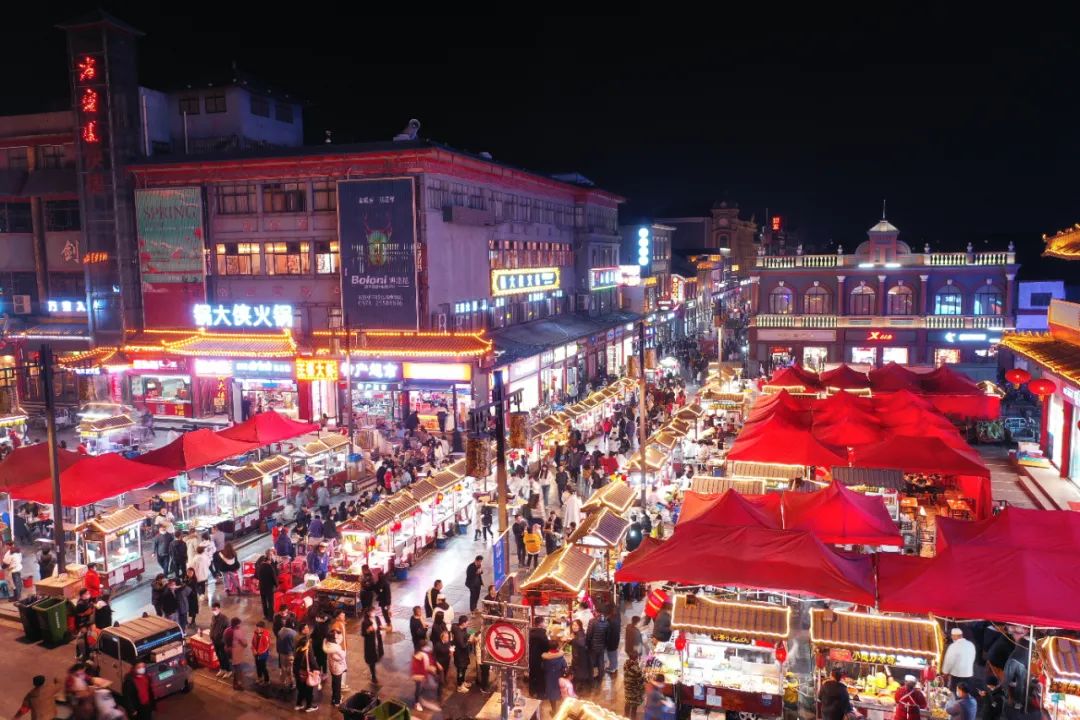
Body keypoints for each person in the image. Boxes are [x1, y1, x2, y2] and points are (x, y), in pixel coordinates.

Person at [293, 630, 319, 713]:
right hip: (306, 674)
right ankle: (309, 706)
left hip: (299, 674)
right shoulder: (307, 652)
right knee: (309, 691)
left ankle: (299, 704)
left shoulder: (298, 650)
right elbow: (313, 663)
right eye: (308, 642)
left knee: (301, 690)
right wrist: (317, 670)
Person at [411, 641, 437, 712]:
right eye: (425, 646)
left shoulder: (427, 653)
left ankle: (423, 699)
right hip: (420, 676)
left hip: (426, 674)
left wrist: (432, 667)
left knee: (431, 685)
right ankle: (417, 703)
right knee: (419, 688)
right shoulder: (418, 655)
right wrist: (415, 675)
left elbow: (430, 662)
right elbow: (414, 667)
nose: (428, 647)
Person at [362, 606, 384, 685]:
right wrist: (368, 630)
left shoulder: (377, 618)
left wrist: (382, 628)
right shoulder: (365, 622)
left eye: (374, 611)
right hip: (370, 643)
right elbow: (363, 633)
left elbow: (379, 627)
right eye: (372, 612)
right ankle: (373, 676)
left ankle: (376, 660)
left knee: (378, 655)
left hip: (377, 641)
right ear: (368, 613)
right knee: (372, 660)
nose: (374, 613)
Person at [528, 616, 550, 697]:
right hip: (539, 658)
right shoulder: (542, 634)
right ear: (541, 624)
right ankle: (541, 694)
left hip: (531, 657)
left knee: (532, 674)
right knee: (540, 676)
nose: (546, 624)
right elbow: (547, 647)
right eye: (545, 622)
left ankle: (532, 691)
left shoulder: (531, 632)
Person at [324, 629, 347, 706]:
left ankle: (334, 697)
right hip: (337, 667)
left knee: (334, 683)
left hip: (332, 667)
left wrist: (338, 632)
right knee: (337, 684)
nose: (337, 636)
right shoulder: (336, 647)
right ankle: (337, 701)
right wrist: (343, 652)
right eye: (335, 636)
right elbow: (342, 656)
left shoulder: (328, 644)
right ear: (333, 638)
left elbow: (340, 639)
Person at [541, 646, 568, 713]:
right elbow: (565, 667)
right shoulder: (561, 657)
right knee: (561, 692)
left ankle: (554, 710)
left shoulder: (546, 658)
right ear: (557, 648)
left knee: (551, 694)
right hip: (559, 677)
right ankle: (562, 710)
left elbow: (543, 667)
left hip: (549, 678)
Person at [586, 611, 610, 682]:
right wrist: (605, 645)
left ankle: (591, 679)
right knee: (600, 661)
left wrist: (587, 644)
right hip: (602, 646)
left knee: (591, 663)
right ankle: (600, 677)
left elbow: (589, 635)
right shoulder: (606, 622)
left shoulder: (592, 621)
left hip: (593, 646)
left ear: (597, 612)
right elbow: (607, 636)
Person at [452, 615, 474, 690]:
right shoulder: (458, 633)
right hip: (460, 656)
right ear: (463, 623)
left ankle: (463, 682)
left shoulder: (463, 629)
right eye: (467, 622)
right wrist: (469, 641)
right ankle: (459, 686)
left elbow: (467, 634)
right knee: (460, 671)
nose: (468, 623)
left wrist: (472, 632)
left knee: (464, 669)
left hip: (464, 655)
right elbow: (463, 645)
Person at [210, 603, 232, 678]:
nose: (214, 611)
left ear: (219, 609)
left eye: (215, 609)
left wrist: (223, 639)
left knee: (224, 656)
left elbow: (228, 630)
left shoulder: (224, 619)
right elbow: (211, 626)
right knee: (218, 655)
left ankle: (228, 670)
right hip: (215, 641)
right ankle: (222, 669)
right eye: (212, 609)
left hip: (222, 642)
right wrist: (211, 635)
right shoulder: (213, 617)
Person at [569, 619, 592, 690]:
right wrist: (570, 641)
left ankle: (580, 685)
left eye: (576, 625)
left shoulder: (580, 634)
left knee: (579, 670)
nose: (574, 627)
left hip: (580, 657)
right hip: (579, 656)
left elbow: (581, 643)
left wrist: (573, 639)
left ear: (580, 626)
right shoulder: (578, 633)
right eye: (573, 625)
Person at [228, 617, 250, 691]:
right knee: (238, 669)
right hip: (237, 653)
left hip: (231, 652)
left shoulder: (228, 630)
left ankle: (235, 683)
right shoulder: (237, 632)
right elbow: (244, 643)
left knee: (235, 667)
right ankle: (238, 684)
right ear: (237, 624)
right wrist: (245, 644)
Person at [277, 618, 298, 689]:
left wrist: (279, 651)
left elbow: (278, 643)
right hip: (290, 654)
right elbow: (295, 645)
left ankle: (283, 682)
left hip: (282, 653)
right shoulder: (293, 633)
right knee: (290, 669)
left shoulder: (280, 631)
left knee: (283, 668)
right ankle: (292, 683)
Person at [624, 651, 646, 719]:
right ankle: (633, 717)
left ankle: (625, 716)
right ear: (637, 658)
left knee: (627, 702)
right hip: (634, 690)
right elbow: (641, 680)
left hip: (627, 687)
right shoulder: (636, 668)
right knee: (634, 705)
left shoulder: (626, 663)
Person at [256, 554, 278, 619]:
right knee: (270, 602)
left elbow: (258, 576)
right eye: (270, 560)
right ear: (268, 560)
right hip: (269, 588)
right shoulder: (269, 567)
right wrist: (276, 585)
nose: (271, 562)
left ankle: (265, 615)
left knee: (264, 602)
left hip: (262, 587)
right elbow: (274, 577)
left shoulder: (259, 567)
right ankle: (270, 617)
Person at [252, 620, 272, 685]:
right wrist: (253, 650)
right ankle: (259, 678)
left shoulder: (265, 635)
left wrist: (259, 652)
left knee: (263, 667)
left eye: (259, 627)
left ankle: (267, 680)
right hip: (256, 654)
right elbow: (253, 642)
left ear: (263, 628)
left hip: (263, 655)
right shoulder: (255, 633)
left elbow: (267, 646)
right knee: (258, 666)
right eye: (257, 627)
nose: (258, 628)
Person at [605, 608, 622, 674]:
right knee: (614, 654)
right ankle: (615, 666)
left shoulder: (610, 621)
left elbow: (607, 633)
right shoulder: (617, 618)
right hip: (616, 640)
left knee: (611, 655)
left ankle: (612, 668)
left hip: (611, 642)